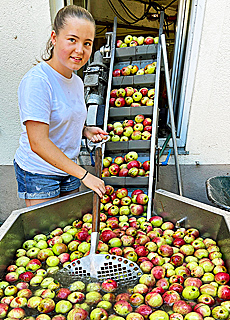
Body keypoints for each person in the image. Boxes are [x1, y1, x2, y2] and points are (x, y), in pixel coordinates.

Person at [14, 5, 108, 207]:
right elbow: (38, 142)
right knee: (46, 234)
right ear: (54, 38)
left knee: (68, 231)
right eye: (72, 40)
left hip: (69, 168)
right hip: (40, 173)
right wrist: (84, 175)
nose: (80, 50)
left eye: (87, 43)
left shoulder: (76, 81)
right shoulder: (38, 81)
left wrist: (84, 131)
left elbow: (61, 117)